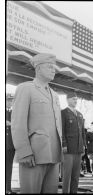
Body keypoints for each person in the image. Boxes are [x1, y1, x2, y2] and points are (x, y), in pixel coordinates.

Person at [11, 53, 62, 193]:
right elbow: (18, 122)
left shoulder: (55, 95)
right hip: (34, 154)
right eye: (49, 67)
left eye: (54, 68)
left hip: (54, 153)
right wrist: (24, 151)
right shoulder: (26, 88)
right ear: (38, 68)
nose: (54, 70)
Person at [61, 92, 86, 193]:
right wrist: (64, 144)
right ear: (67, 100)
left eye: (76, 99)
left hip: (78, 149)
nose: (75, 101)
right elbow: (62, 130)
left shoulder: (80, 114)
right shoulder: (63, 113)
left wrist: (84, 145)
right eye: (73, 99)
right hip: (68, 149)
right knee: (67, 175)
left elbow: (83, 132)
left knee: (76, 175)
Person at [6, 94, 15, 194]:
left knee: (9, 167)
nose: (9, 102)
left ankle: (8, 189)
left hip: (10, 146)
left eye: (11, 101)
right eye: (8, 100)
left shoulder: (14, 113)